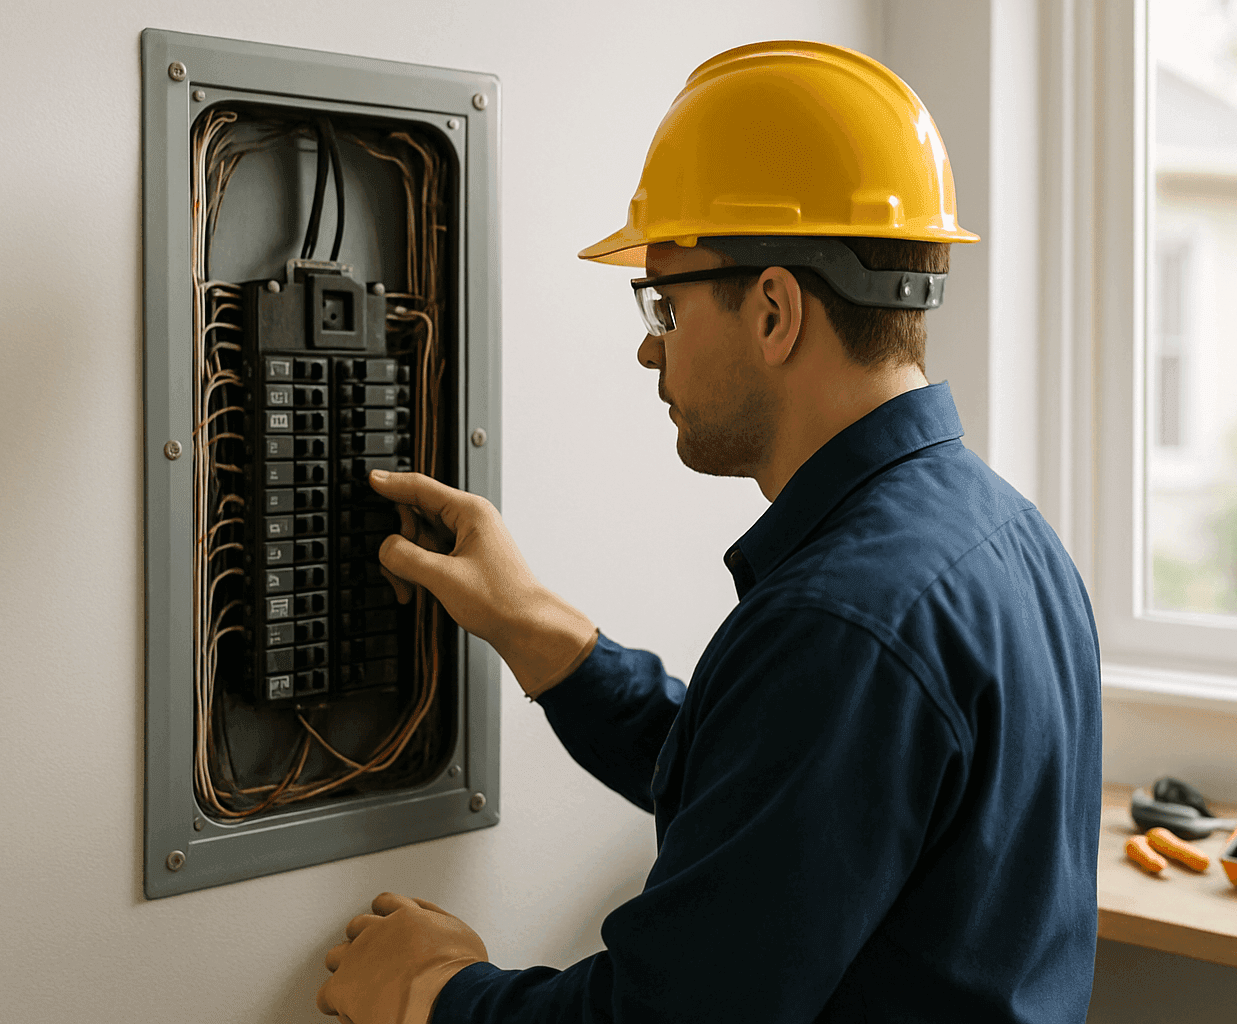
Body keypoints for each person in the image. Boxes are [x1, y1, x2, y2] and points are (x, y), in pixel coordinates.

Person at [317, 39, 1102, 1024]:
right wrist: (536, 629)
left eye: (666, 304)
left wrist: (433, 991)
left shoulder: (844, 624)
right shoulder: (1006, 537)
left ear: (773, 311)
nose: (649, 348)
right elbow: (776, 796)